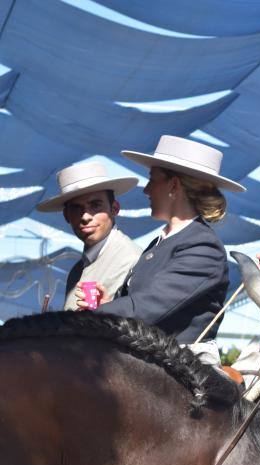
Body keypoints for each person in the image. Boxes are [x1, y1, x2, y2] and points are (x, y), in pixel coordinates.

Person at [76, 135, 246, 364]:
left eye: (152, 180)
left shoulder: (204, 247)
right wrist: (108, 303)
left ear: (173, 186)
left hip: (184, 376)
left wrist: (76, 320)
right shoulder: (160, 243)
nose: (146, 190)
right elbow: (138, 302)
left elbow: (147, 307)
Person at [35, 161, 141, 310]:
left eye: (95, 205)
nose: (85, 216)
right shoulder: (77, 270)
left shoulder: (133, 261)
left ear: (114, 208)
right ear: (66, 216)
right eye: (76, 208)